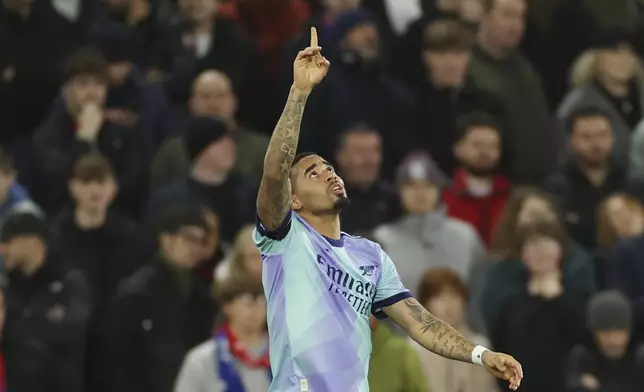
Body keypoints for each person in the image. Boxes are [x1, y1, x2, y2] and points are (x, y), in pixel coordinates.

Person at [254, 27, 523, 392]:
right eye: (312, 173)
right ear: (294, 199)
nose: (328, 173)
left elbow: (420, 323)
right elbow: (273, 173)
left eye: (329, 168)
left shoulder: (371, 257)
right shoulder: (285, 239)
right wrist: (299, 93)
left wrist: (479, 354)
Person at [174, 274, 270, 392]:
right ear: (227, 306)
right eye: (247, 299)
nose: (255, 307)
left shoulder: (286, 356)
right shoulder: (201, 360)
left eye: (261, 299)